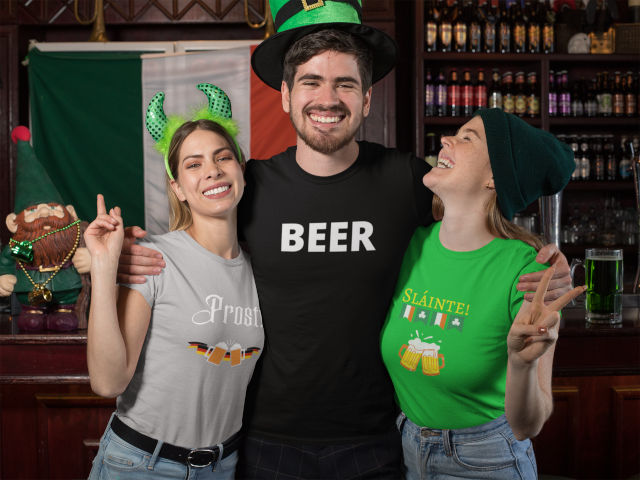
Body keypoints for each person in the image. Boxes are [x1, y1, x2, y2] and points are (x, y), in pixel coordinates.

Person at [116, 3, 574, 478]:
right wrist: (115, 261)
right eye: (311, 83)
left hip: (378, 439)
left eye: (345, 84)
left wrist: (545, 259)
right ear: (286, 96)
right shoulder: (251, 186)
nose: (327, 99)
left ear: (368, 99)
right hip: (267, 437)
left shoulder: (409, 180)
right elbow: (189, 247)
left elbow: (481, 212)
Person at [381, 109, 584, 479]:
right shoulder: (412, 243)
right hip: (405, 450)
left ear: (495, 177)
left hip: (485, 459)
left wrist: (521, 365)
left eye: (467, 138)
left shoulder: (530, 271)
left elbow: (528, 425)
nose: (446, 140)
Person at [86, 84, 263, 478]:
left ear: (242, 171)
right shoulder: (153, 259)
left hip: (224, 464)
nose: (213, 170)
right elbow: (107, 381)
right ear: (178, 188)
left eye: (222, 158)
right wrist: (103, 267)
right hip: (141, 465)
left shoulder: (262, 272)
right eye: (193, 164)